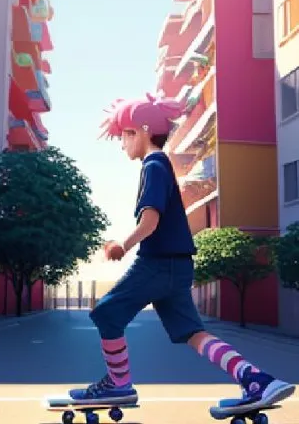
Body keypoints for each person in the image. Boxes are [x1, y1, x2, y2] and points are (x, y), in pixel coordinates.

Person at [67, 94, 295, 414]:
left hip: (158, 264)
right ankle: (257, 379)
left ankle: (118, 384)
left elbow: (151, 220)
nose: (122, 144)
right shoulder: (161, 166)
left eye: (125, 135)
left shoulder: (154, 165)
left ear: (143, 130)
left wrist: (122, 246)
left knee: (106, 313)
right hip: (178, 267)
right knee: (193, 333)